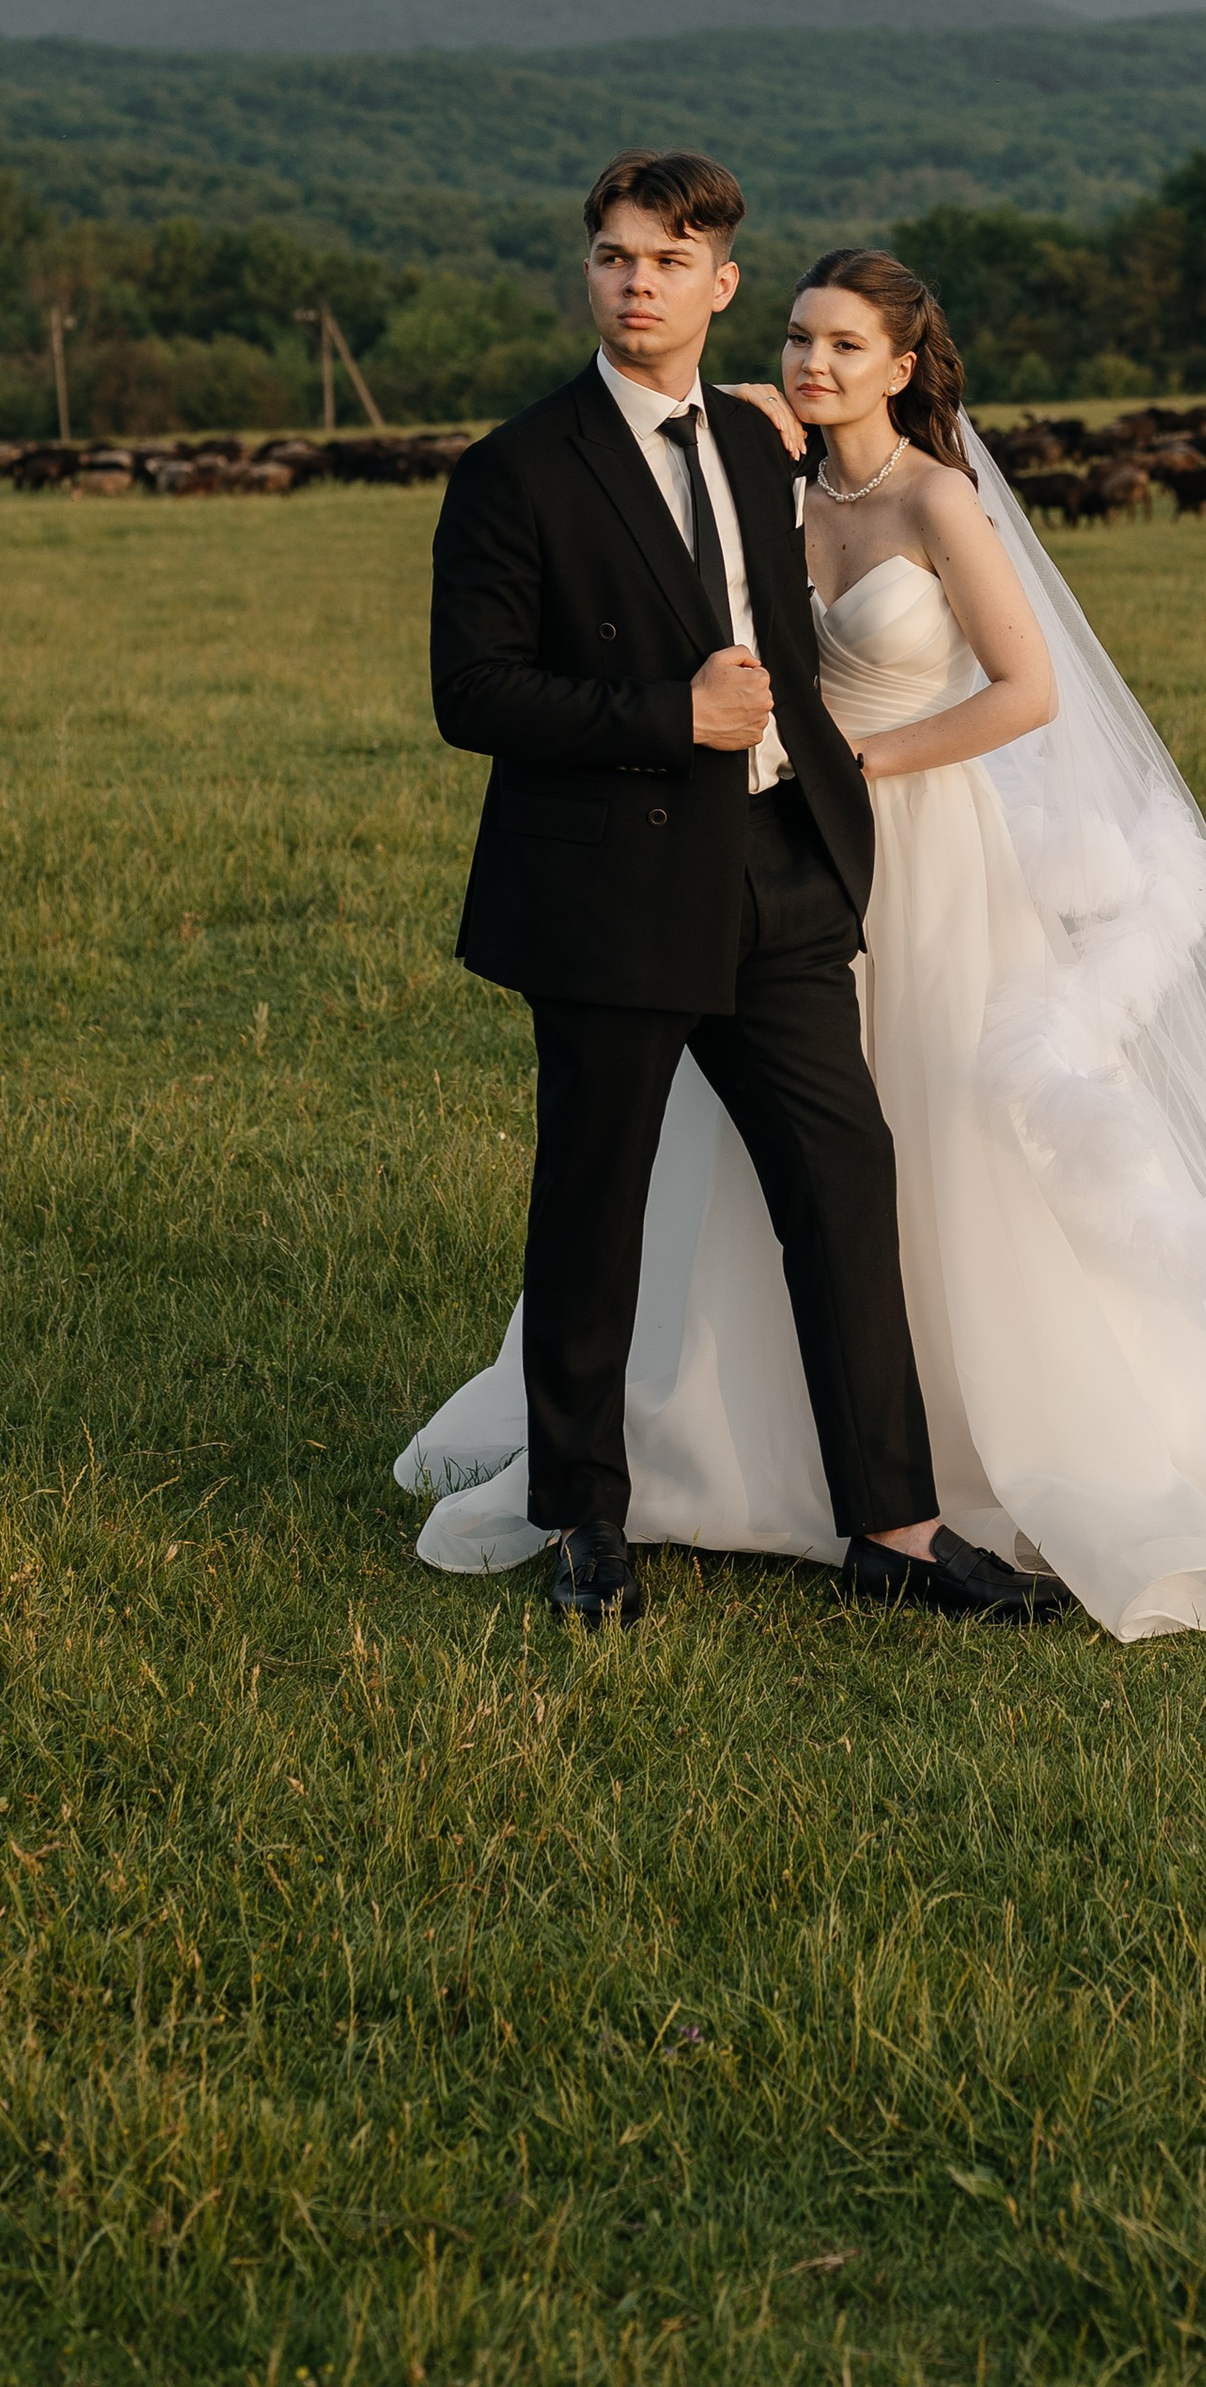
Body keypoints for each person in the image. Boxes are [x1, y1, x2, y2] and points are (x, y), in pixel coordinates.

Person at [402, 221, 1206, 1642]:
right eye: (797, 338)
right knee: (659, 1180)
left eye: (844, 343)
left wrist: (849, 764)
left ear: (900, 364)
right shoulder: (744, 458)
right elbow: (562, 633)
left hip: (895, 845)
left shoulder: (931, 497)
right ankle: (638, 1486)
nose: (810, 362)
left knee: (880, 1166)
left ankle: (910, 1504)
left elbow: (1021, 690)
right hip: (718, 864)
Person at [412, 146, 1068, 1629]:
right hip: (614, 894)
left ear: (719, 286)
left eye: (668, 262)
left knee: (846, 1188)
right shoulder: (518, 467)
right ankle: (586, 1520)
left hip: (783, 872)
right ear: (590, 275)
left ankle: (895, 1531)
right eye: (613, 258)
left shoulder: (767, 445)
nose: (636, 284)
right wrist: (671, 715)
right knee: (595, 1210)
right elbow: (472, 692)